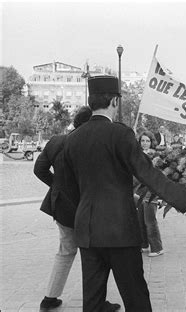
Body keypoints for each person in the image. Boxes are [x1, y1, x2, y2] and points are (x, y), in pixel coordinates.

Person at [63, 75, 186, 312]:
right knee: (135, 297)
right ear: (114, 102)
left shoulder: (72, 139)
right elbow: (148, 173)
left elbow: (68, 188)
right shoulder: (120, 134)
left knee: (92, 299)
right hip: (119, 230)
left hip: (88, 231)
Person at [34, 107, 120, 311]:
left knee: (65, 251)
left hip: (61, 208)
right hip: (87, 207)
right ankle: (96, 303)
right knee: (96, 256)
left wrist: (58, 187)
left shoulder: (56, 140)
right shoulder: (91, 143)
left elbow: (39, 169)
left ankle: (50, 298)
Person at [135, 131, 165, 257]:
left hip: (151, 190)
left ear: (151, 142)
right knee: (140, 219)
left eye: (147, 141)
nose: (145, 143)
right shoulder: (136, 155)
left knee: (149, 220)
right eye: (143, 141)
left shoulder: (157, 156)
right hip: (138, 190)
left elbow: (160, 174)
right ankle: (144, 244)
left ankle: (157, 247)